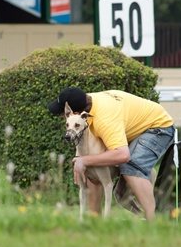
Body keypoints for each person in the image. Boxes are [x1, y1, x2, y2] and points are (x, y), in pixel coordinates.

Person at [48, 87, 174, 221]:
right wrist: (81, 159)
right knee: (119, 192)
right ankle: (94, 221)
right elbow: (86, 145)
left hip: (158, 127)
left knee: (131, 168)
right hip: (138, 126)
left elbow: (122, 155)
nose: (63, 117)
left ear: (77, 113)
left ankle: (154, 222)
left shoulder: (104, 120)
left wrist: (85, 161)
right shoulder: (87, 103)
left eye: (62, 113)